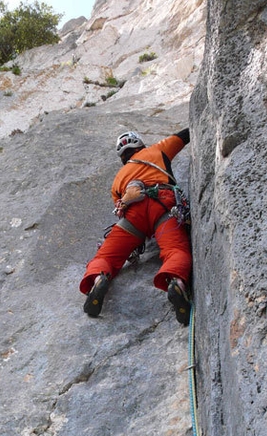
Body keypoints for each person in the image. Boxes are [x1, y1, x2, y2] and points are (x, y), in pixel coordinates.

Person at [80, 129, 192, 325]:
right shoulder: (158, 151)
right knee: (175, 249)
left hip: (133, 217)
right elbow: (184, 136)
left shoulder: (118, 179)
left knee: (106, 256)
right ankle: (177, 282)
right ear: (140, 145)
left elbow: (120, 209)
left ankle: (98, 279)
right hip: (163, 207)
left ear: (122, 157)